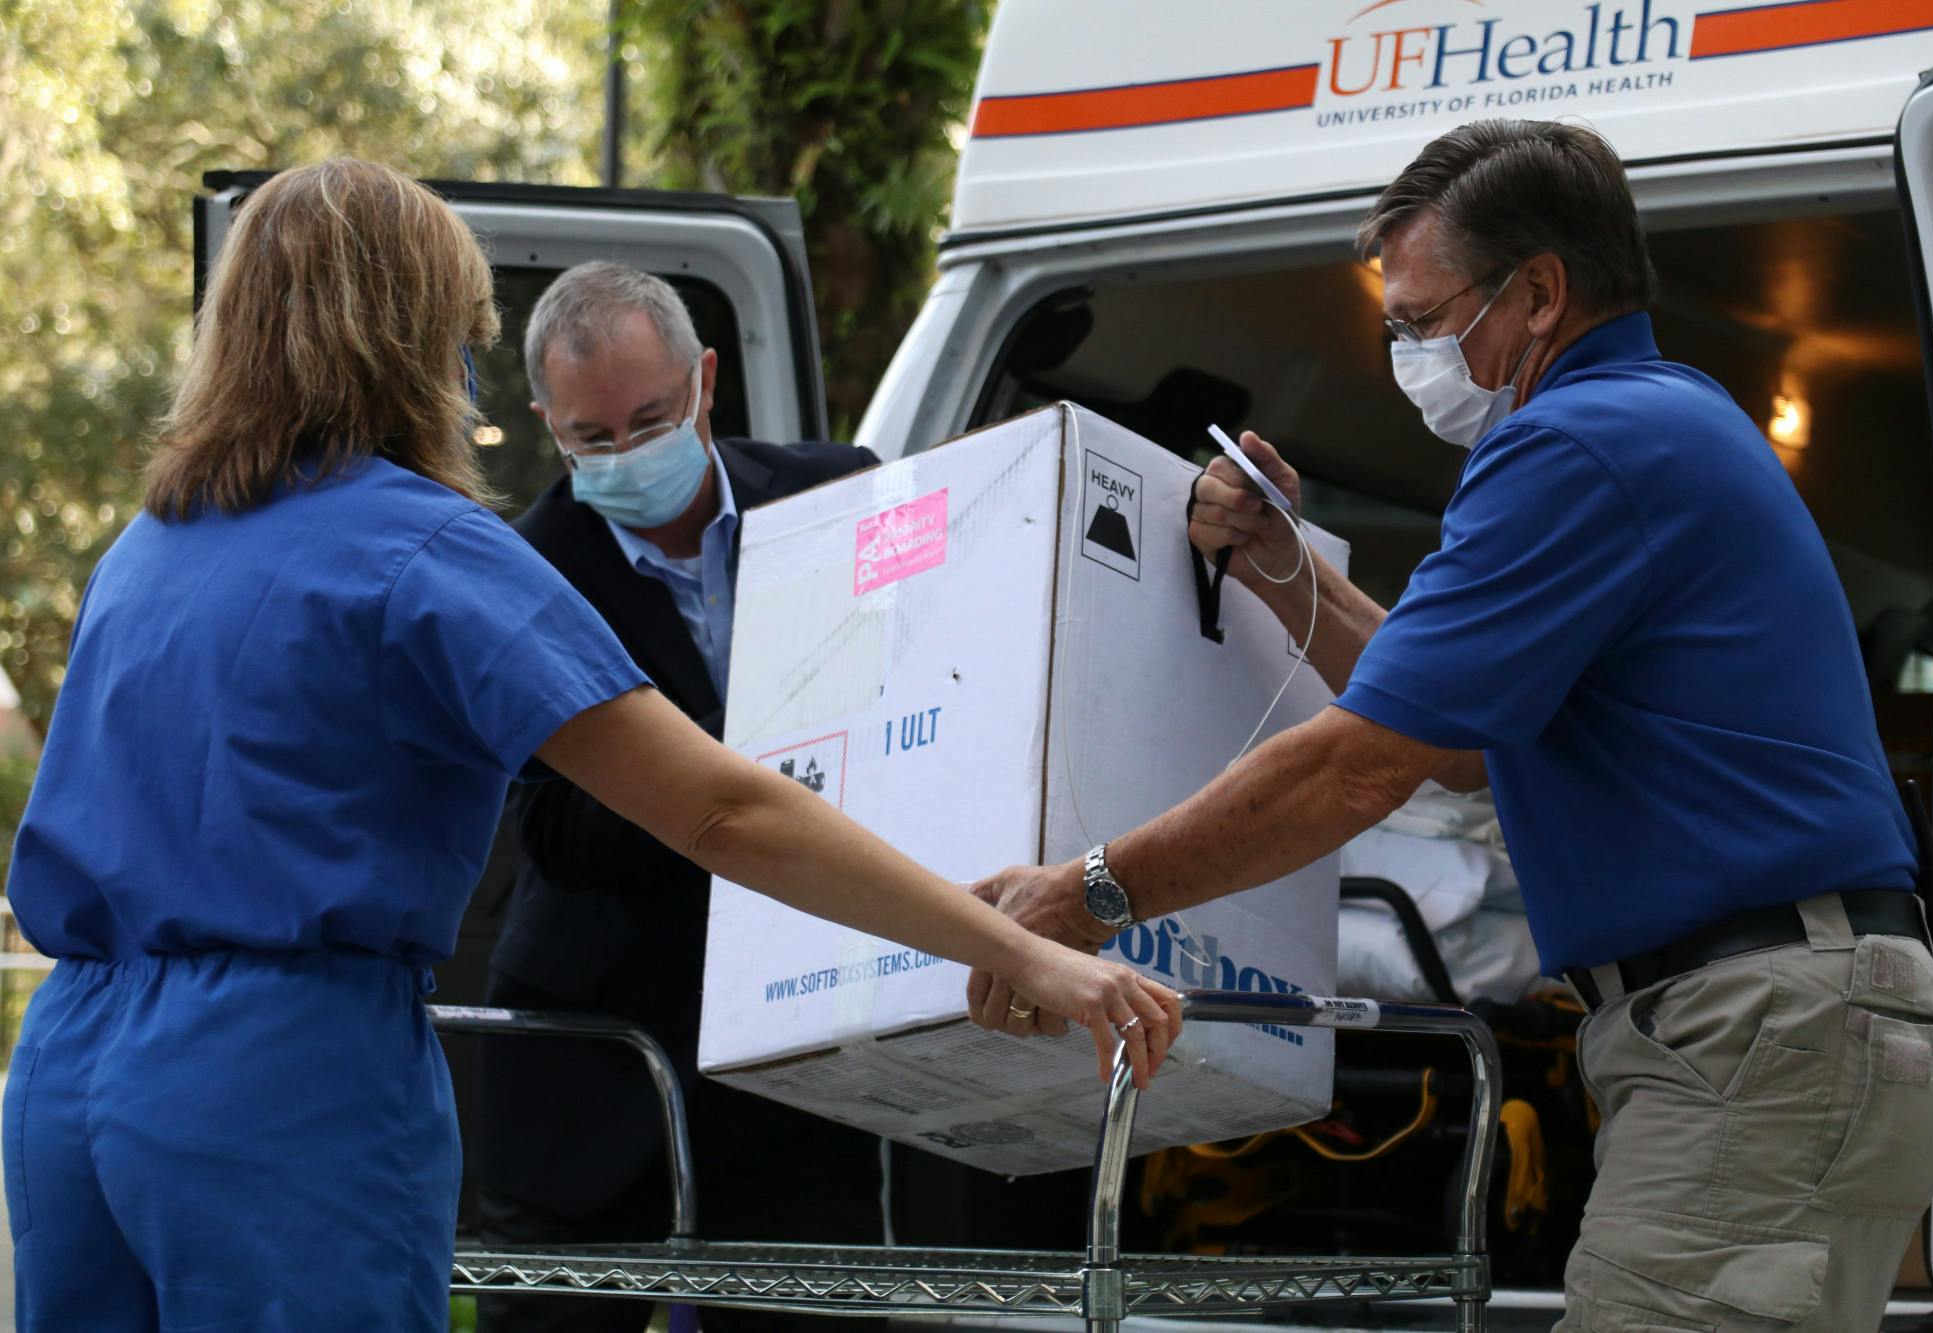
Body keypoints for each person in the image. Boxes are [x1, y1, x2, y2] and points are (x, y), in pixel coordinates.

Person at [0, 157, 1180, 1333]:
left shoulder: (148, 549)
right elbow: (725, 811)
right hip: (273, 1077)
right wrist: (1027, 953)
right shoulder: (423, 553)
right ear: (419, 340)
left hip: (68, 1074)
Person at [965, 120, 1933, 1330]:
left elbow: (1358, 768)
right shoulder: (1658, 420)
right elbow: (1453, 740)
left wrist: (1083, 899)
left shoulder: (1569, 445)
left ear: (1537, 293)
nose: (1404, 353)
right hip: (1798, 1025)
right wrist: (1292, 571)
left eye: (1422, 322)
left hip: (1755, 1031)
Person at [474, 261, 886, 1333]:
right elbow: (556, 830)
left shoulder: (840, 496)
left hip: (801, 1054)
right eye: (591, 437)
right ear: (547, 425)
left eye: (649, 419)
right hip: (595, 1056)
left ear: (704, 379)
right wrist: (732, 765)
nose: (623, 454)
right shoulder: (522, 571)